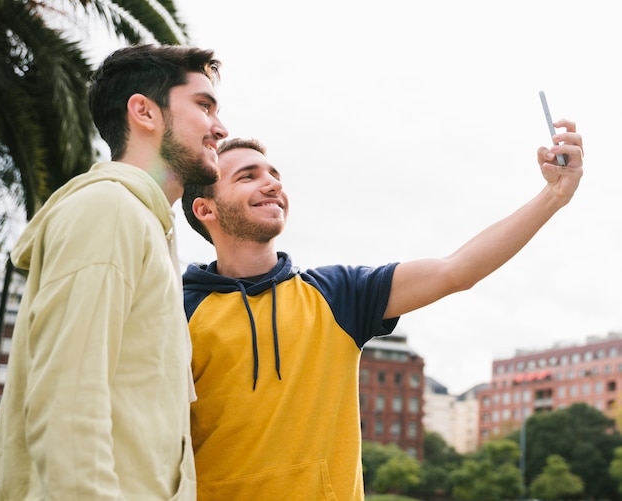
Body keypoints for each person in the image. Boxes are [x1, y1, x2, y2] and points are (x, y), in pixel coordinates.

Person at [181, 127, 584, 500]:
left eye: (273, 174)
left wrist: (554, 196)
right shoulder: (177, 309)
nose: (273, 184)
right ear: (206, 209)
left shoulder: (338, 294)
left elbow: (457, 270)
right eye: (247, 176)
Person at [0, 44, 228, 500]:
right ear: (143, 111)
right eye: (204, 106)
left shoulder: (144, 226)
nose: (220, 128)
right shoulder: (109, 210)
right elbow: (67, 407)